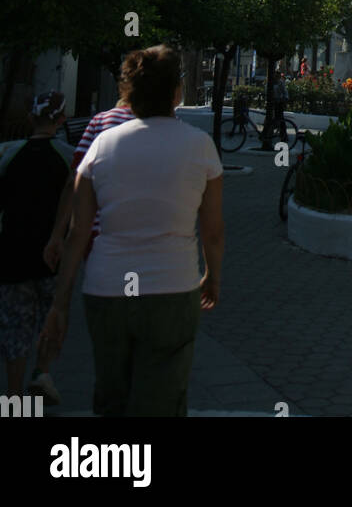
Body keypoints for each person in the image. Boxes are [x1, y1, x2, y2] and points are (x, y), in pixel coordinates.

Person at [39, 46, 224, 418]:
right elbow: (214, 230)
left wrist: (60, 304)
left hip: (106, 291)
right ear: (176, 92)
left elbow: (78, 233)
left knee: (112, 400)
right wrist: (211, 276)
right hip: (172, 289)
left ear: (129, 92)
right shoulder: (199, 146)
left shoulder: (102, 145)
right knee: (163, 401)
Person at [0, 91, 73, 405]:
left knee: (15, 331)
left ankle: (14, 401)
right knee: (52, 319)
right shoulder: (70, 157)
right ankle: (42, 373)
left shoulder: (7, 154)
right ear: (62, 119)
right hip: (54, 256)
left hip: (12, 255)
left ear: (30, 118)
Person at [44, 83, 136, 272]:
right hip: (146, 242)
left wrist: (58, 235)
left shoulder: (102, 121)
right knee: (131, 290)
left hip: (102, 238)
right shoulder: (171, 128)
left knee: (110, 294)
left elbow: (75, 181)